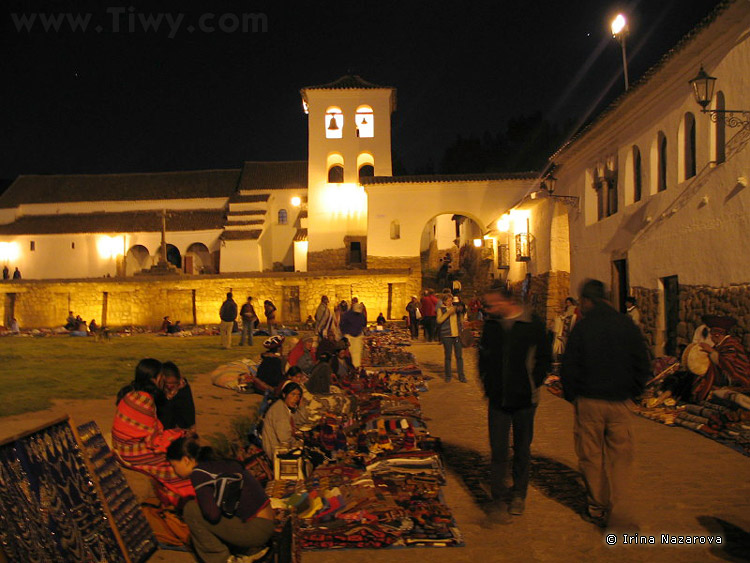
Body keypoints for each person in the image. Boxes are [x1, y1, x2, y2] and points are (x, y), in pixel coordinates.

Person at [560, 279, 650, 531]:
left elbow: (569, 366)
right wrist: (634, 392)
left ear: (588, 301)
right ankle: (619, 512)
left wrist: (572, 395)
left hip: (589, 401)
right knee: (621, 458)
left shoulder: (583, 328)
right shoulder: (625, 325)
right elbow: (642, 361)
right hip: (620, 402)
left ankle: (598, 506)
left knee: (591, 457)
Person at [479, 284, 551, 522]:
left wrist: (533, 383)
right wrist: (488, 385)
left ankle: (519, 494)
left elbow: (544, 358)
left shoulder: (532, 324)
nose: (488, 309)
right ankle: (498, 497)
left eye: (491, 304)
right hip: (498, 398)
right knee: (498, 450)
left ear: (505, 301)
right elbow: (483, 357)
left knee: (522, 449)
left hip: (525, 399)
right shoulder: (492, 326)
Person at [166, 437, 274, 563]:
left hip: (256, 530)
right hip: (266, 525)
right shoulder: (217, 463)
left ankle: (222, 559)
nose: (174, 471)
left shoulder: (199, 473)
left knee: (191, 509)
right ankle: (244, 550)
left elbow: (212, 515)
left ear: (185, 460)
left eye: (174, 466)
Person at [112, 358, 194, 507]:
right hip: (132, 451)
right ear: (153, 378)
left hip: (123, 445)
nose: (163, 380)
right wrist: (174, 436)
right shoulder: (145, 399)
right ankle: (184, 493)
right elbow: (152, 440)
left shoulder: (131, 393)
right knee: (172, 462)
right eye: (160, 376)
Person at [692, 314, 750, 402]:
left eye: (712, 335)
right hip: (727, 377)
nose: (711, 338)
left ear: (717, 335)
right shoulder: (721, 345)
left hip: (739, 380)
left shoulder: (731, 344)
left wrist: (711, 351)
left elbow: (728, 365)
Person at [261, 381, 304, 460]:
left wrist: (301, 406)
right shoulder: (279, 409)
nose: (296, 398)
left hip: (281, 448)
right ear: (284, 395)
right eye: (293, 394)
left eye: (298, 396)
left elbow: (300, 420)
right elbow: (284, 438)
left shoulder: (285, 407)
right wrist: (299, 443)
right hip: (276, 452)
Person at [157, 361, 196, 431]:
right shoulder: (158, 387)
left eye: (173, 383)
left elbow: (189, 410)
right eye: (167, 383)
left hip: (180, 426)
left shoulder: (183, 387)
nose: (170, 386)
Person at [437, 294, 467, 383]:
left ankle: (461, 376)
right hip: (447, 336)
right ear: (444, 302)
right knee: (448, 356)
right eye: (448, 301)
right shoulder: (441, 309)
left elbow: (462, 316)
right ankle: (448, 376)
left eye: (451, 300)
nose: (450, 302)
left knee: (459, 357)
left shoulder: (456, 308)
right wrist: (448, 313)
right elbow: (439, 320)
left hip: (457, 335)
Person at [340, 302, 367, 368]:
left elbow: (364, 324)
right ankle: (350, 367)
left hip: (357, 336)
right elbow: (342, 325)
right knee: (349, 353)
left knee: (357, 354)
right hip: (349, 336)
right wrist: (345, 334)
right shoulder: (346, 315)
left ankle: (356, 367)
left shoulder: (361, 315)